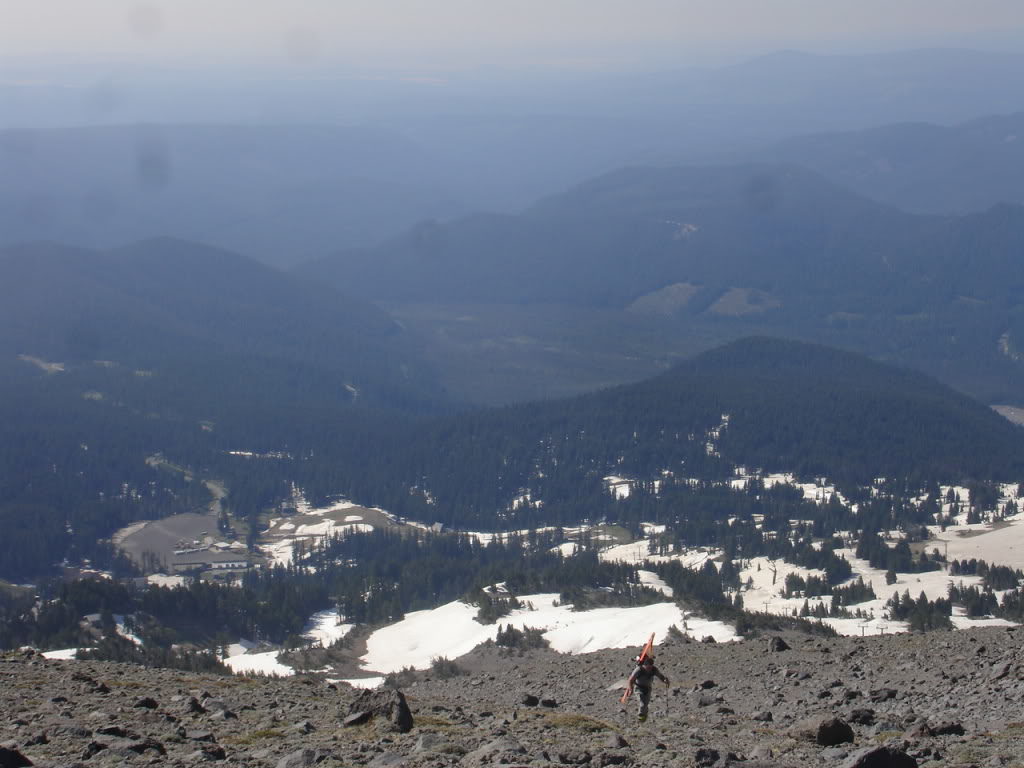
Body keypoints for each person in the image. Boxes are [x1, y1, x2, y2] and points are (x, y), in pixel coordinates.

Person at [625, 654, 670, 721]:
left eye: (651, 666)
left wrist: (664, 680)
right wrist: (631, 689)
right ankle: (640, 720)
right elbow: (630, 680)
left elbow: (660, 676)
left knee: (645, 705)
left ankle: (644, 719)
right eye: (648, 666)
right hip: (639, 688)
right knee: (642, 704)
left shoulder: (654, 669)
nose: (649, 668)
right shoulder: (639, 670)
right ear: (644, 665)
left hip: (648, 689)